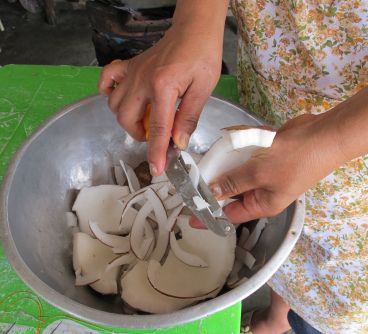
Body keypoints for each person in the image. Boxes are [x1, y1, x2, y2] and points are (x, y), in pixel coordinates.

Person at [98, 1, 368, 333]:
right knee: (286, 257)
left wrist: (333, 140)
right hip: (275, 79)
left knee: (331, 302)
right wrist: (197, 19)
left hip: (356, 172)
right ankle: (276, 317)